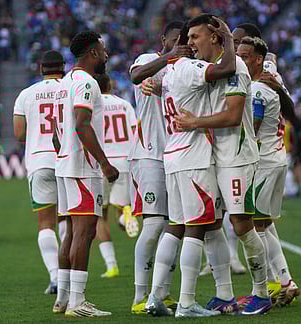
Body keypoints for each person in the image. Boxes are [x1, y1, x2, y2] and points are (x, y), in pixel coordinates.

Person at [175, 14, 271, 316]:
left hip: (237, 158)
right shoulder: (210, 69)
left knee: (242, 225)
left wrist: (195, 123)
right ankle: (225, 295)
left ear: (214, 37)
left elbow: (232, 115)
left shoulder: (235, 69)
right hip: (215, 157)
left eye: (195, 37)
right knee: (213, 225)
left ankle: (261, 293)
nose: (190, 43)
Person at [51, 31, 119, 318]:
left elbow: (57, 130)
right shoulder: (87, 83)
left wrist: (63, 152)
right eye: (102, 50)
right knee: (85, 231)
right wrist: (104, 163)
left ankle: (63, 298)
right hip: (83, 166)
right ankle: (77, 301)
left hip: (65, 163)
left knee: (70, 232)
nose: (105, 55)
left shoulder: (64, 81)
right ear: (92, 53)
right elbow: (81, 125)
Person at [128, 21, 188, 314]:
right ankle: (140, 296)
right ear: (164, 39)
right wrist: (168, 58)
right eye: (175, 40)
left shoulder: (184, 70)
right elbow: (136, 75)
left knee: (174, 227)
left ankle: (160, 293)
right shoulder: (148, 60)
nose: (179, 45)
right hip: (149, 153)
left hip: (177, 156)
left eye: (184, 42)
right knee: (153, 225)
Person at [238, 36, 301, 306]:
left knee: (256, 226)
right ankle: (284, 280)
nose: (238, 59)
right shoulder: (270, 78)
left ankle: (278, 284)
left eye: (244, 55)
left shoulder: (258, 89)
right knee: (264, 224)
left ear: (258, 59)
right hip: (275, 157)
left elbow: (253, 127)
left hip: (263, 161)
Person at [13, 50, 65, 294]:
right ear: (63, 67)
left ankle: (54, 277)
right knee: (69, 220)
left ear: (40, 68)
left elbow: (19, 134)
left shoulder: (26, 94)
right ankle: (69, 276)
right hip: (66, 160)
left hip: (38, 161)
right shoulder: (71, 87)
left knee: (45, 223)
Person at [93, 72, 138, 279]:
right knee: (121, 207)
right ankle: (125, 214)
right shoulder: (124, 104)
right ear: (110, 85)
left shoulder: (92, 105)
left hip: (101, 162)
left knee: (100, 216)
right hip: (124, 160)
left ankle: (111, 266)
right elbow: (135, 131)